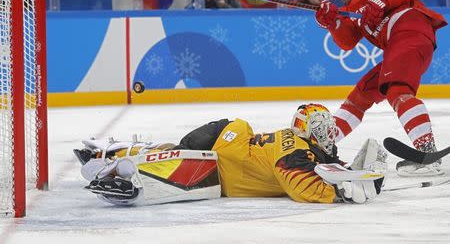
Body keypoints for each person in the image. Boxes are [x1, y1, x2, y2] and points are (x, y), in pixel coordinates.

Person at [75, 104, 386, 206]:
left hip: (230, 139)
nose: (328, 135)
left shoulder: (303, 147)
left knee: (173, 150)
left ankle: (113, 152)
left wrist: (355, 174)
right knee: (178, 162)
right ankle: (109, 166)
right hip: (224, 157)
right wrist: (339, 194)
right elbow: (299, 186)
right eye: (322, 129)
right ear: (307, 131)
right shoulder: (296, 152)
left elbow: (324, 166)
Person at [314, 0, 447, 176]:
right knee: (361, 95)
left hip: (410, 30)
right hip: (399, 44)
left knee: (397, 91)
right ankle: (322, 145)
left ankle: (427, 152)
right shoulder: (349, 10)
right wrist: (332, 22)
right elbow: (347, 41)